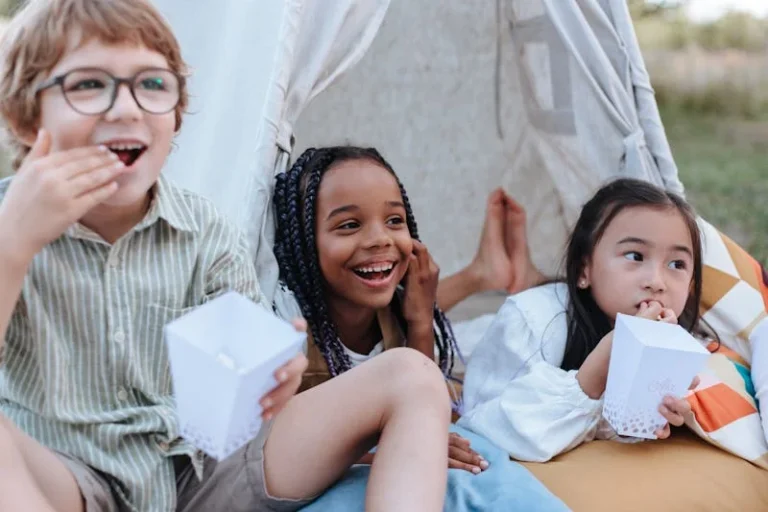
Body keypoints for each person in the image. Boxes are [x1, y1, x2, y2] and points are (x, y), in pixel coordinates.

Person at [0, 2, 452, 510]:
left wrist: (269, 380)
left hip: (198, 470)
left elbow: (238, 390)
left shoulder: (205, 229)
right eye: (88, 85)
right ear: (25, 118)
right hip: (67, 479)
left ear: (175, 117)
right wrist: (13, 244)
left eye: (150, 85)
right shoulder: (5, 222)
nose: (125, 108)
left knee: (413, 375)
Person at [273, 146, 569, 511]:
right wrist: (397, 444)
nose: (380, 238)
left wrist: (420, 318)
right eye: (350, 225)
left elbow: (421, 388)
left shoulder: (393, 313)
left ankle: (484, 273)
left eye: (394, 221)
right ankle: (482, 274)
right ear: (302, 242)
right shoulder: (289, 327)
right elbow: (279, 452)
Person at [459, 178, 704, 462]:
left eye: (677, 264)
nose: (657, 282)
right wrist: (597, 369)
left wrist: (654, 414)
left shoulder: (676, 341)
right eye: (635, 256)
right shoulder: (532, 322)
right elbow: (485, 428)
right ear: (583, 269)